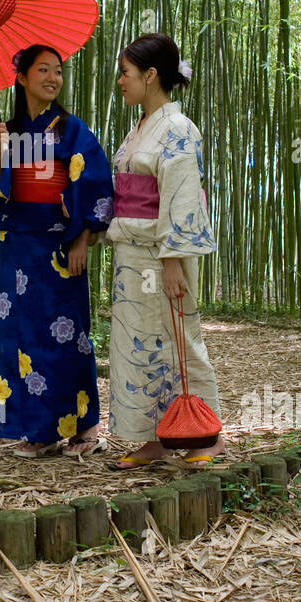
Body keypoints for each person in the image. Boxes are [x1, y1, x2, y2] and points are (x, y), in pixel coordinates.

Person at [0, 44, 114, 458]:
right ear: (21, 78)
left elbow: (92, 183)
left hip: (58, 245)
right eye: (43, 70)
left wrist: (80, 239)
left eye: (58, 71)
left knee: (67, 337)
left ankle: (85, 428)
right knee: (19, 338)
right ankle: (39, 430)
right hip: (17, 246)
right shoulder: (7, 130)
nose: (53, 78)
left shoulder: (71, 129)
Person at [106, 32, 223, 467]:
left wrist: (173, 261)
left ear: (151, 75)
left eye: (126, 72)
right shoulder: (138, 128)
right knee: (137, 343)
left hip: (162, 253)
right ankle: (154, 437)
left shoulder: (177, 128)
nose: (120, 81)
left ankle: (207, 436)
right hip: (131, 254)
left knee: (179, 338)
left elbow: (180, 195)